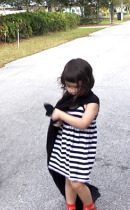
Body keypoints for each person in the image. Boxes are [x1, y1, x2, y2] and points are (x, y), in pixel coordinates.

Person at [44, 58, 100, 210]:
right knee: (68, 179)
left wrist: (60, 115)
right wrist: (55, 119)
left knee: (77, 182)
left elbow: (83, 124)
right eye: (68, 86)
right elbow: (62, 119)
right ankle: (71, 206)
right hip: (66, 145)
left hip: (81, 149)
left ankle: (89, 206)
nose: (73, 90)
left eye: (77, 87)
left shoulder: (92, 102)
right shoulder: (69, 97)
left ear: (87, 82)